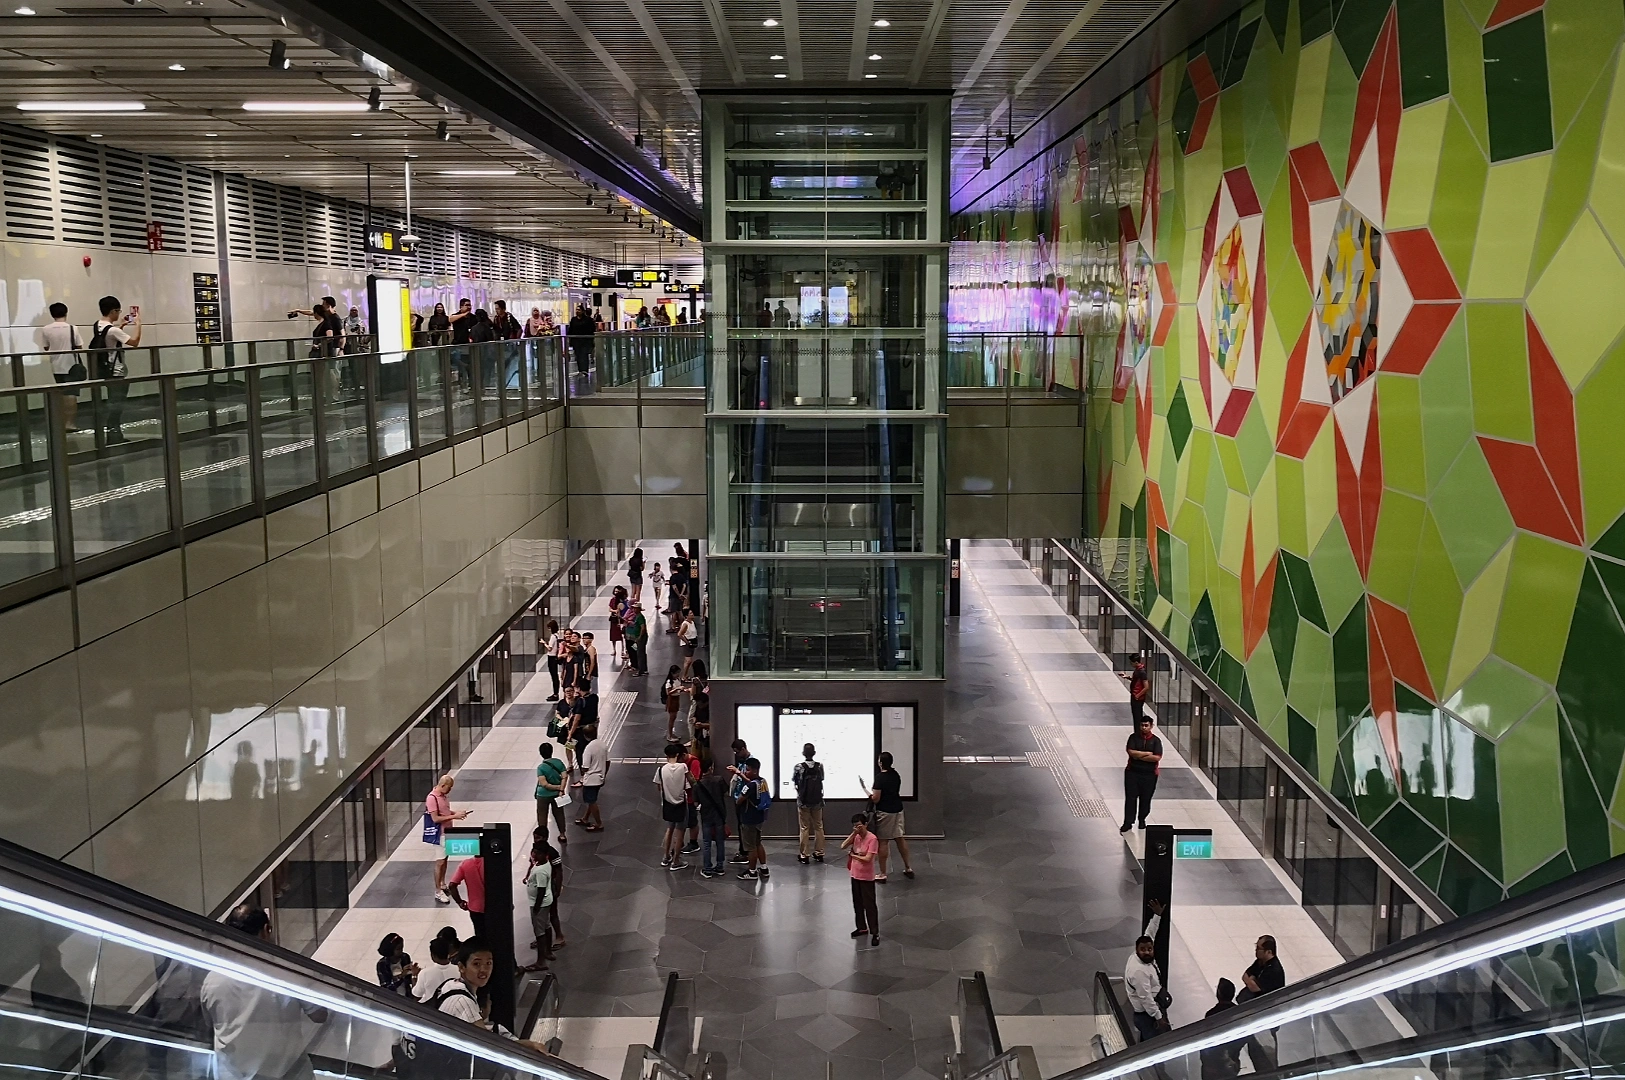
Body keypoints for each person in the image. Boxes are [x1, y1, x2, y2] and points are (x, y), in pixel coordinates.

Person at [202, 906, 328, 1080]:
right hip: (287, 1070)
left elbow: (210, 1023)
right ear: (265, 931)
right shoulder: (288, 970)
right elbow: (319, 1014)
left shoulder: (212, 979)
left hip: (232, 1073)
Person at [426, 937, 551, 1052]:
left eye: (488, 963)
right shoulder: (463, 1002)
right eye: (476, 964)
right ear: (461, 967)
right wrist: (530, 1046)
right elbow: (488, 1044)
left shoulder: (451, 984)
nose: (484, 970)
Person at [90, 295, 140, 444]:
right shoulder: (113, 330)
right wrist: (138, 324)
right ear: (113, 311)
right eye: (118, 311)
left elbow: (109, 339)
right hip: (116, 370)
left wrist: (122, 327)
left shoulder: (97, 325)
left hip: (104, 369)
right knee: (117, 404)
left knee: (112, 401)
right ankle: (114, 434)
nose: (119, 314)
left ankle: (111, 433)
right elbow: (135, 342)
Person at [1240, 935, 1286, 1069]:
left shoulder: (1274, 970)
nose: (1256, 951)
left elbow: (1254, 987)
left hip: (1267, 1017)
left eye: (1259, 948)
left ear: (1269, 951)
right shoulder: (1260, 962)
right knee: (1255, 1052)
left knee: (1266, 1056)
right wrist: (1251, 981)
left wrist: (1251, 982)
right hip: (1256, 1014)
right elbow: (1245, 976)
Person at [1124, 898, 1167, 1042]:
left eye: (1149, 949)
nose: (1147, 952)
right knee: (1155, 1045)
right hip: (1147, 1016)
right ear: (1136, 950)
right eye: (1143, 950)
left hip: (1150, 1011)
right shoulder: (1139, 972)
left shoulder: (1141, 958)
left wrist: (1157, 916)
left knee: (1147, 1041)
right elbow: (1146, 997)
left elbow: (1150, 933)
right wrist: (1159, 1018)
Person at [425, 774, 471, 903]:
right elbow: (436, 818)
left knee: (445, 858)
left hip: (448, 832)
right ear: (443, 785)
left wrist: (455, 813)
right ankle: (438, 891)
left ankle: (442, 883)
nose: (450, 790)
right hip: (440, 834)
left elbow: (445, 812)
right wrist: (453, 817)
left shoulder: (444, 796)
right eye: (449, 788)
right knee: (440, 861)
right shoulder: (432, 798)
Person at [41, 302, 85, 432]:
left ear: (52, 314)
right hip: (71, 365)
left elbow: (46, 347)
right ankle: (69, 423)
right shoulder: (73, 328)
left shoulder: (46, 329)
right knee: (71, 394)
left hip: (56, 365)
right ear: (66, 312)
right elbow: (79, 346)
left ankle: (60, 423)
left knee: (61, 393)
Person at [869, 752, 913, 881]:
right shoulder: (895, 775)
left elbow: (876, 799)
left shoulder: (880, 778)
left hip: (885, 812)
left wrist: (868, 794)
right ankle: (908, 867)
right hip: (898, 809)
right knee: (899, 838)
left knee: (883, 841)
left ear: (881, 763)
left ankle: (882, 873)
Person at [842, 813, 881, 945]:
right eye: (855, 826)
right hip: (855, 875)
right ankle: (861, 927)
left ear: (865, 824)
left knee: (869, 905)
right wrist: (853, 835)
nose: (858, 828)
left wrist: (854, 856)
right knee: (857, 903)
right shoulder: (856, 837)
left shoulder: (872, 839)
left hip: (866, 877)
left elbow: (869, 859)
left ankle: (875, 932)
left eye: (859, 826)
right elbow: (843, 846)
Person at [1122, 716, 1163, 834]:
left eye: (1146, 725)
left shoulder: (1156, 741)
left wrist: (1139, 755)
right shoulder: (1133, 738)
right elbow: (1131, 752)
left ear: (1151, 726)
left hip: (1150, 775)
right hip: (1132, 773)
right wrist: (1147, 754)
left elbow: (1156, 757)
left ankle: (1142, 819)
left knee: (1146, 798)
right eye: (1142, 725)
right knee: (1130, 798)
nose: (1144, 728)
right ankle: (1128, 822)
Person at [732, 757, 770, 880]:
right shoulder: (762, 782)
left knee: (750, 847)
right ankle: (764, 868)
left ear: (754, 770)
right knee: (758, 843)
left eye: (747, 770)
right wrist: (740, 775)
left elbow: (739, 800)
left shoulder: (749, 787)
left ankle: (752, 871)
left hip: (749, 819)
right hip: (759, 817)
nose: (746, 772)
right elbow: (751, 782)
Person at [522, 836, 556, 972]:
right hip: (546, 901)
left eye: (538, 853)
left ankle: (540, 961)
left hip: (540, 904)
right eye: (534, 851)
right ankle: (548, 951)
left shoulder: (541, 870)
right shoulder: (543, 864)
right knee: (546, 925)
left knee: (539, 931)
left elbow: (541, 890)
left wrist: (536, 907)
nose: (534, 854)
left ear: (545, 855)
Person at [656, 742, 692, 871]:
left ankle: (666, 857)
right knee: (680, 832)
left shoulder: (661, 769)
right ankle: (676, 860)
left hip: (667, 803)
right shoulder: (683, 767)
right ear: (677, 754)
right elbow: (691, 781)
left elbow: (658, 786)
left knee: (669, 829)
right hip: (681, 803)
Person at [1200, 979, 1244, 1080]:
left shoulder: (1211, 1014)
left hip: (1212, 1063)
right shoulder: (1238, 1012)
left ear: (1219, 993)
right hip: (1231, 1060)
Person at [694, 758, 730, 878]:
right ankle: (720, 867)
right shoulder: (719, 780)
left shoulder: (698, 785)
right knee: (720, 842)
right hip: (719, 815)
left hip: (706, 816)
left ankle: (707, 868)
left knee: (707, 843)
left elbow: (695, 802)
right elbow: (726, 792)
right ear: (710, 768)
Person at [793, 743, 826, 864]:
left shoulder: (798, 767)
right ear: (814, 753)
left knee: (804, 828)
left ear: (803, 753)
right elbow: (822, 779)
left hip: (803, 802)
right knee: (819, 826)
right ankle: (819, 853)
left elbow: (796, 783)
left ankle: (804, 854)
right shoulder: (819, 766)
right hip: (817, 801)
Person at [574, 723, 608, 830]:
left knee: (591, 802)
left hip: (591, 779)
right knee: (591, 800)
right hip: (600, 777)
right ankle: (585, 818)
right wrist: (604, 774)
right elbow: (608, 762)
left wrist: (583, 773)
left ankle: (599, 823)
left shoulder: (588, 749)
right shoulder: (603, 745)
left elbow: (585, 767)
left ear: (585, 736)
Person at [446, 852, 487, 939]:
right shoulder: (492, 864)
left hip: (475, 908)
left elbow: (452, 885)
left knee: (480, 935)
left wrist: (460, 902)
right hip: (494, 907)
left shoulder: (466, 864)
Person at [414, 927, 461, 1002]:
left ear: (433, 956)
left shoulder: (425, 973)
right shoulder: (459, 970)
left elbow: (417, 995)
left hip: (431, 1009)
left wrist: (414, 976)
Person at [535, 741, 567, 840]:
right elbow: (565, 777)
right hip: (557, 795)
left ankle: (543, 838)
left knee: (542, 815)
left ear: (541, 753)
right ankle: (562, 834)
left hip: (543, 795)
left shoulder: (541, 767)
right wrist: (560, 789)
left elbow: (544, 784)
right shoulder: (559, 762)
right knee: (559, 814)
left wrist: (556, 787)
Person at [727, 737, 751, 863]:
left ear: (743, 749)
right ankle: (743, 850)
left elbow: (752, 782)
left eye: (737, 751)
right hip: (738, 797)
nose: (736, 754)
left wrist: (738, 773)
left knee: (745, 827)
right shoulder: (741, 761)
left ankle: (746, 852)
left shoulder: (751, 762)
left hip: (745, 799)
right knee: (741, 826)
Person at [567, 303, 595, 376]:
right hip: (576, 341)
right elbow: (571, 330)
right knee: (578, 355)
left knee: (584, 355)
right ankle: (580, 370)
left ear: (583, 311)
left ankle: (585, 370)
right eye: (576, 310)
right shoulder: (573, 320)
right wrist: (569, 339)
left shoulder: (588, 320)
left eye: (579, 310)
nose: (577, 311)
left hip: (585, 341)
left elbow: (592, 329)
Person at [627, 602, 650, 677]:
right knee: (642, 653)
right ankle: (644, 669)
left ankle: (640, 671)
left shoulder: (640, 617)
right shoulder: (637, 616)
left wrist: (639, 637)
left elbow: (643, 628)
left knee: (640, 654)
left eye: (635, 608)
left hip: (641, 638)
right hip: (639, 637)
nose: (633, 609)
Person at [662, 665, 683, 742]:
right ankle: (670, 735)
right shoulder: (669, 682)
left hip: (677, 699)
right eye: (676, 673)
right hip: (672, 701)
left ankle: (672, 733)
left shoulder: (677, 679)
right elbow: (668, 692)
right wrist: (677, 688)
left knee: (674, 717)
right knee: (672, 718)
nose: (678, 674)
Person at [608, 585, 628, 666]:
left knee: (622, 635)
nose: (616, 593)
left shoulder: (623, 601)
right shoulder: (612, 600)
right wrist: (614, 610)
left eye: (617, 591)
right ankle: (614, 649)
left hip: (620, 620)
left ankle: (623, 650)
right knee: (613, 635)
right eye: (615, 591)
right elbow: (609, 608)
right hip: (614, 619)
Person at [1128, 657, 1150, 726]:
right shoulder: (1138, 670)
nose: (1131, 664)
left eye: (1132, 662)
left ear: (1136, 662)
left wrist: (1138, 695)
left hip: (1137, 698)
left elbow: (1146, 687)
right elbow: (1136, 681)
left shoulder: (1142, 672)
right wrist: (1127, 677)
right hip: (1135, 695)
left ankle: (1138, 733)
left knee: (1137, 717)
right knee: (1135, 716)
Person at [544, 619, 562, 701]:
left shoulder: (552, 637)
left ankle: (555, 694)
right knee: (555, 676)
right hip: (555, 656)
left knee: (554, 676)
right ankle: (556, 693)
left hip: (552, 657)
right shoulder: (557, 635)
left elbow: (550, 648)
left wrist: (544, 643)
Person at [678, 609, 698, 679]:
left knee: (689, 661)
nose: (692, 614)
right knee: (688, 660)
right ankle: (684, 676)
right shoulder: (685, 624)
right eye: (690, 613)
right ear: (686, 616)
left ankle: (685, 675)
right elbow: (680, 634)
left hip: (692, 642)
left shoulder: (692, 622)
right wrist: (687, 642)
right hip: (687, 644)